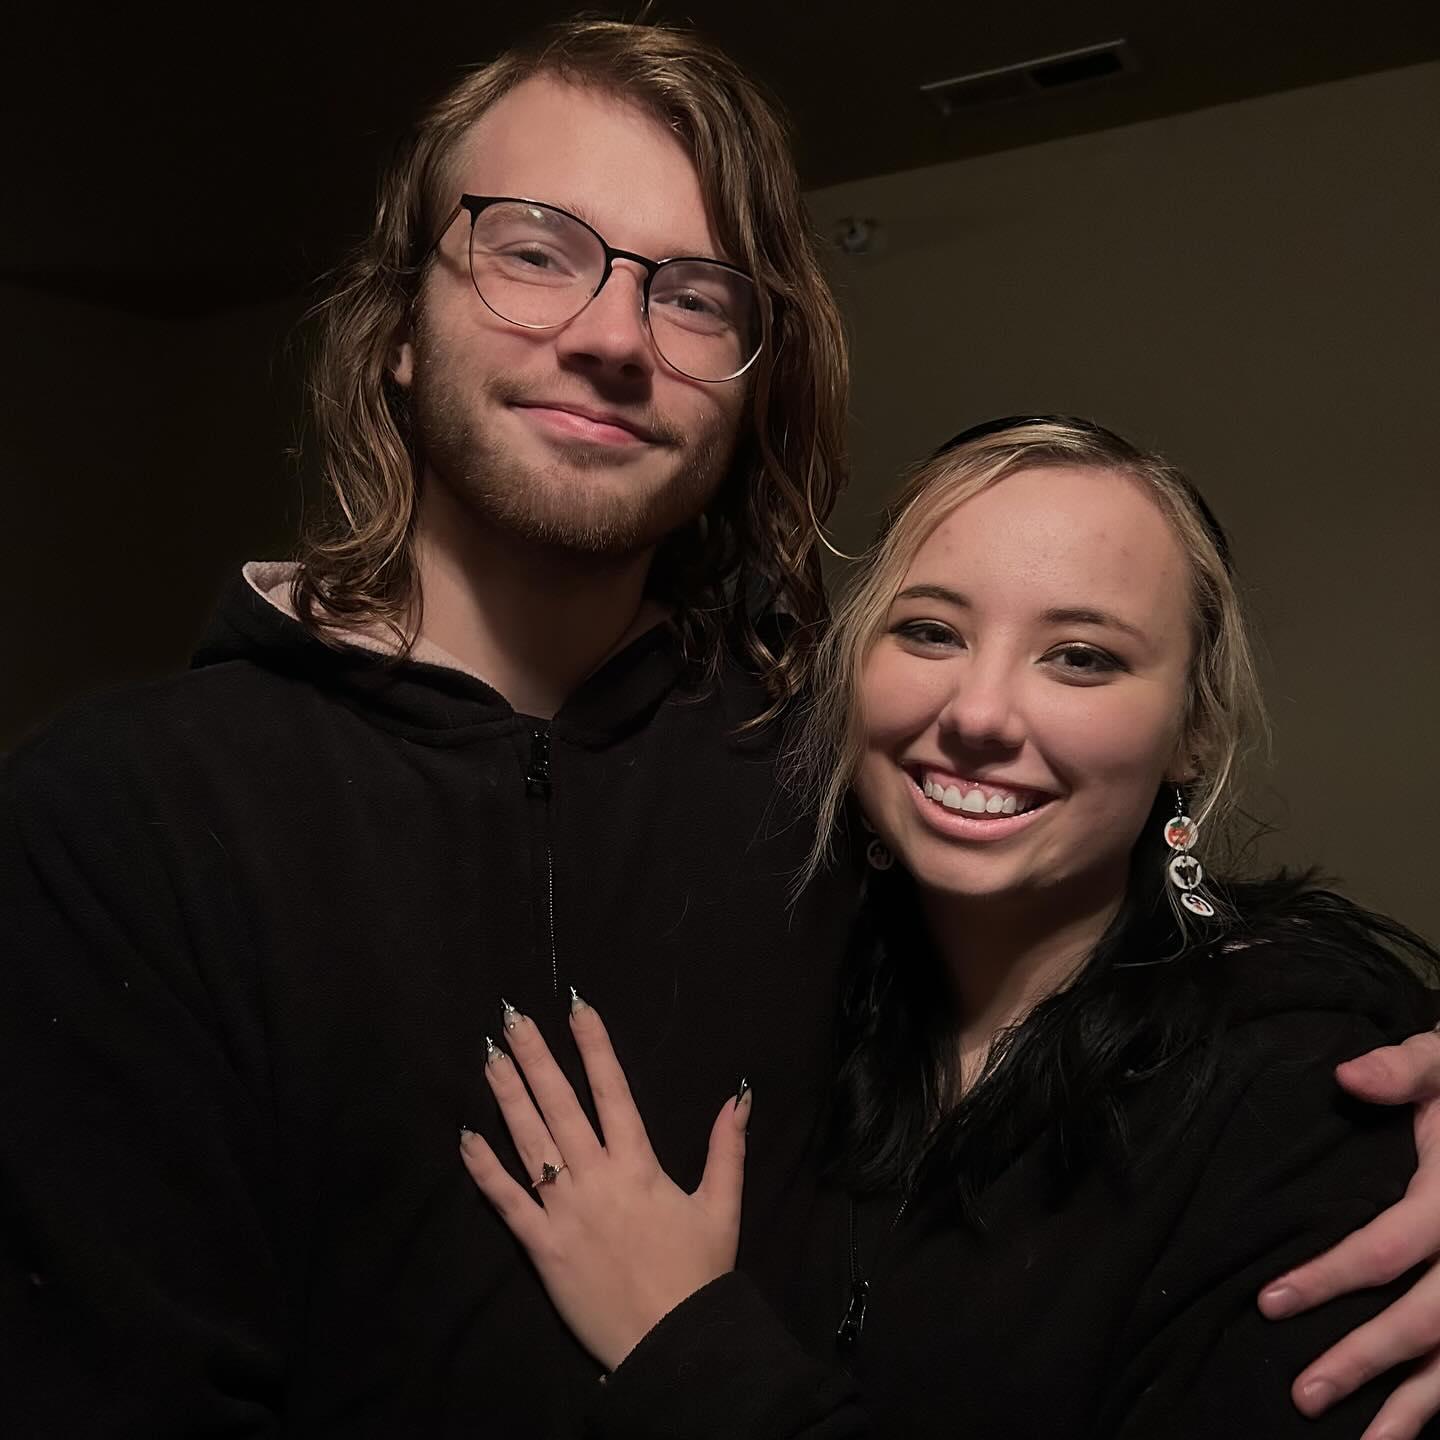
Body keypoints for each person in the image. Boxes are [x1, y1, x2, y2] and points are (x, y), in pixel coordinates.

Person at [0, 19, 1435, 1434]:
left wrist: (1399, 1090)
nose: (612, 335)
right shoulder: (125, 817)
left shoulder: (818, 779)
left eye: (695, 295)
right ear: (393, 331)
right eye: (532, 248)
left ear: (755, 383)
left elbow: (1127, 960)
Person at [459, 417, 1440, 1438]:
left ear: (1191, 731)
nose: (978, 713)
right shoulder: (795, 992)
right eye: (929, 631)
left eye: (1081, 657)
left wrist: (689, 1345)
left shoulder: (1298, 1097)